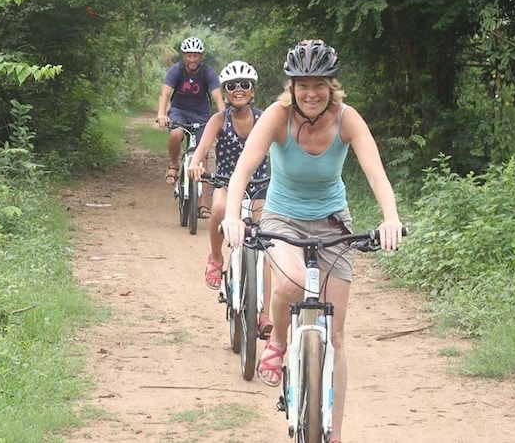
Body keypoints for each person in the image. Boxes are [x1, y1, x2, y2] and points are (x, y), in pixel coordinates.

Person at [219, 39, 404, 443]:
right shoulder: (277, 117)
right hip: (283, 218)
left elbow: (377, 175)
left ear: (331, 86)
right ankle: (279, 341)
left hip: (334, 223)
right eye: (303, 84)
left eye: (319, 83)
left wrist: (390, 218)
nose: (311, 92)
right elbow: (241, 173)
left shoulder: (347, 119)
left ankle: (334, 434)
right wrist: (233, 216)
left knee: (336, 335)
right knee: (290, 282)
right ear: (292, 87)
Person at [186, 61, 274, 335]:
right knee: (219, 208)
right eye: (232, 86)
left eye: (244, 85)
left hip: (259, 185)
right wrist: (196, 164)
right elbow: (201, 150)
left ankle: (265, 314)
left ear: (253, 90)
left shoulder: (265, 120)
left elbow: (282, 148)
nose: (238, 90)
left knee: (268, 243)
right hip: (224, 183)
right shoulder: (218, 120)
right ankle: (215, 257)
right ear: (224, 92)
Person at [155, 36, 225, 219]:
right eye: (189, 55)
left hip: (201, 115)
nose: (192, 59)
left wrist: (225, 119)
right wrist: (162, 114)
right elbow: (165, 93)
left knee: (203, 157)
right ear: (183, 56)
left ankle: (203, 204)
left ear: (201, 57)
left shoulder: (207, 72)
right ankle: (174, 164)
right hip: (179, 111)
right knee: (175, 134)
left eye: (195, 55)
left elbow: (218, 97)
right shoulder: (176, 71)